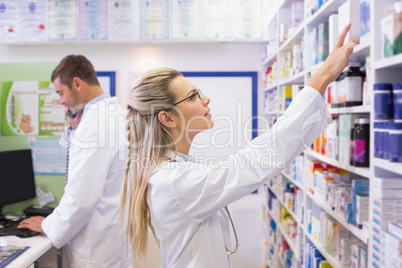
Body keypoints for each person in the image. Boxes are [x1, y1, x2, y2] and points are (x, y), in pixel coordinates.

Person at [121, 24, 359, 267]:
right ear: (167, 118)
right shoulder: (174, 181)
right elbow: (256, 161)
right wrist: (322, 76)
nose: (206, 99)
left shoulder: (177, 170)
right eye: (193, 96)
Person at [18, 55, 131, 268]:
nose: (60, 101)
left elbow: (81, 198)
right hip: (114, 237)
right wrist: (74, 125)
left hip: (96, 247)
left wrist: (47, 224)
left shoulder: (94, 126)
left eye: (61, 92)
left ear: (77, 83)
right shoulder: (115, 114)